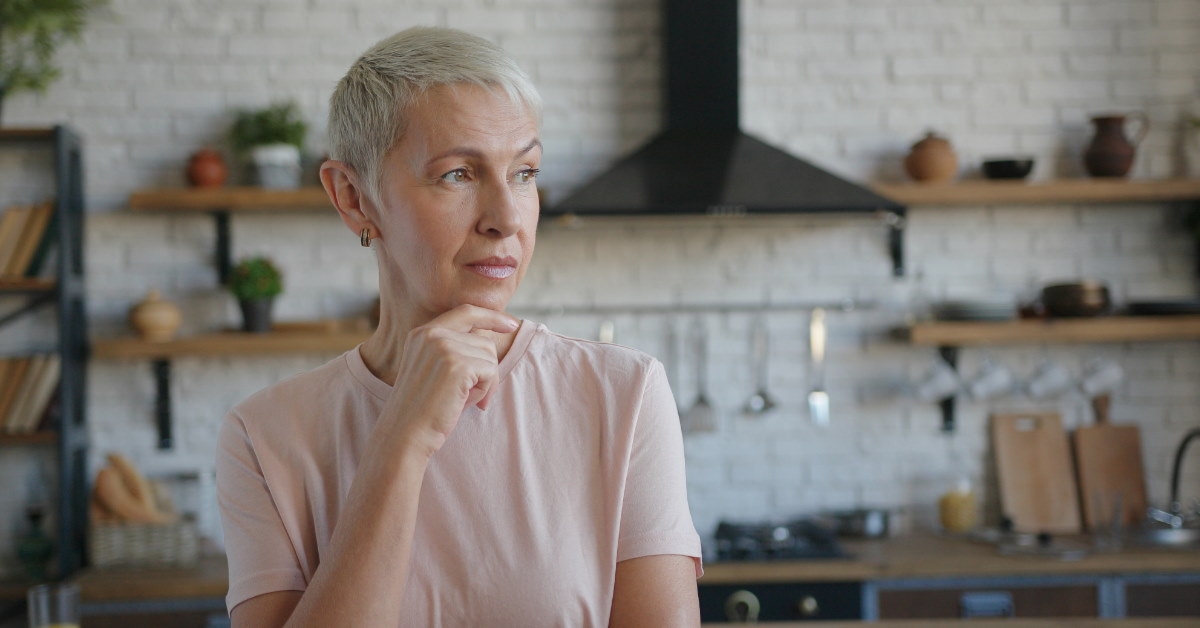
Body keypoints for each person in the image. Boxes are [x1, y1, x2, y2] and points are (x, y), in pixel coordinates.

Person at [216, 26, 703, 627]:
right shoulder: (264, 438)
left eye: (524, 173)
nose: (506, 218)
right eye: (458, 175)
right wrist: (400, 440)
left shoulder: (623, 395)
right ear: (353, 197)